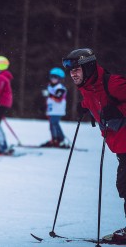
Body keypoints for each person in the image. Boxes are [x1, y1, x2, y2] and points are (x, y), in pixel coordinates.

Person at [63, 48, 126, 241]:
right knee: (123, 185)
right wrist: (84, 107)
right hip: (121, 147)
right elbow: (94, 100)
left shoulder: (113, 83)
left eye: (77, 69)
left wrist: (119, 110)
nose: (73, 73)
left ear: (89, 67)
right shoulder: (87, 88)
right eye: (71, 70)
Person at [40, 67, 68, 148]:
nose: (53, 79)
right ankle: (54, 139)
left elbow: (58, 98)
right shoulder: (50, 86)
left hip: (58, 109)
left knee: (54, 123)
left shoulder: (60, 88)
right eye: (51, 77)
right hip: (51, 109)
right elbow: (50, 98)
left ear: (59, 79)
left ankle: (60, 139)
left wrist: (49, 95)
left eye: (55, 77)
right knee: (52, 124)